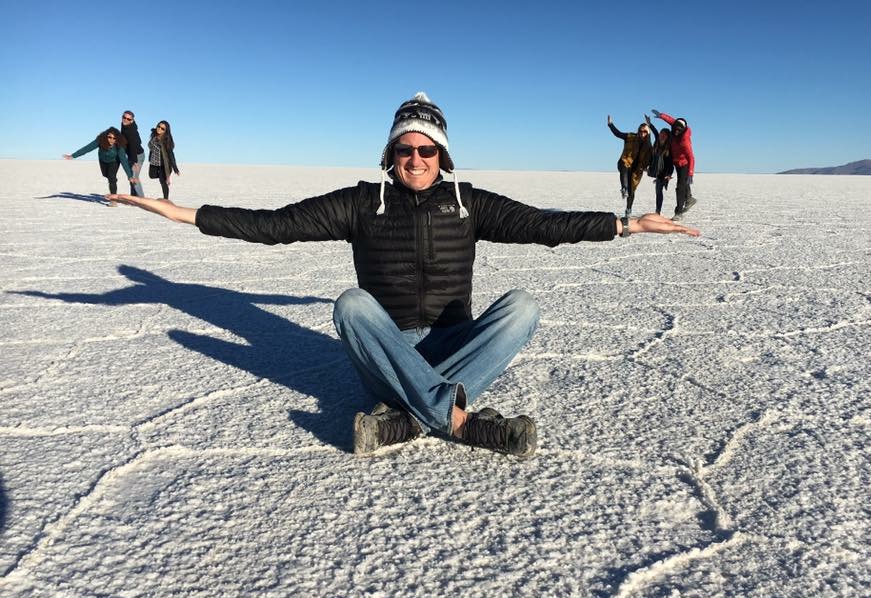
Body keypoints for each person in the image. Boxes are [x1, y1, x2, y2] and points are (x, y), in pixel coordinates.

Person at [110, 92, 700, 459]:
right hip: (388, 352)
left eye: (427, 150)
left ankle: (407, 420)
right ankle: (461, 421)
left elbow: (542, 225)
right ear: (388, 155)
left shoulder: (469, 203)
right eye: (404, 150)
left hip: (451, 342)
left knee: (521, 305)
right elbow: (274, 224)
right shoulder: (362, 203)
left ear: (444, 156)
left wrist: (625, 225)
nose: (415, 160)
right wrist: (182, 213)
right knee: (351, 306)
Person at [63, 127, 137, 200]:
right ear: (106, 136)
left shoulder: (119, 146)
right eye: (109, 137)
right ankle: (113, 180)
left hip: (114, 161)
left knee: (112, 177)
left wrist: (129, 176)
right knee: (106, 175)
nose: (111, 140)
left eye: (114, 138)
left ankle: (113, 198)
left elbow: (124, 160)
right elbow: (87, 148)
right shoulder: (100, 141)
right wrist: (73, 156)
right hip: (103, 161)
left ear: (117, 139)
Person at [651, 109, 695, 219]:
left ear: (683, 130)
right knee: (683, 183)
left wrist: (690, 173)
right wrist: (661, 115)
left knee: (680, 186)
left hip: (684, 164)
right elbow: (670, 120)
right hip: (676, 162)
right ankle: (689, 198)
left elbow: (691, 158)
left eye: (679, 130)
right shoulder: (675, 127)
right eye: (675, 128)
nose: (676, 131)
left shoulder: (684, 141)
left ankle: (678, 212)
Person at [607, 116, 652, 215]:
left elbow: (650, 159)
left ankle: (628, 209)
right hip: (625, 163)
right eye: (640, 131)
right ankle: (624, 188)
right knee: (624, 165)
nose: (642, 133)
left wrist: (648, 168)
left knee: (632, 191)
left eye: (645, 132)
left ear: (648, 133)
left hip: (637, 170)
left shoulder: (648, 145)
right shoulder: (630, 137)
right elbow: (618, 133)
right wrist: (610, 125)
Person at [645, 114, 675, 215]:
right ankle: (657, 210)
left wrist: (669, 174)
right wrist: (649, 124)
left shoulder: (669, 148)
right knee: (657, 190)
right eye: (661, 133)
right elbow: (654, 131)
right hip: (656, 170)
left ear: (667, 137)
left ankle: (658, 211)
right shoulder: (657, 142)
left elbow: (671, 163)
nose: (662, 135)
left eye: (664, 135)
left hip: (664, 172)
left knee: (659, 191)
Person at [147, 120, 180, 199]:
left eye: (162, 128)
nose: (159, 129)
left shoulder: (166, 141)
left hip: (163, 164)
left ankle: (166, 199)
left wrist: (175, 168)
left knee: (162, 182)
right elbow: (151, 148)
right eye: (159, 126)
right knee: (151, 175)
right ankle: (165, 177)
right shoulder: (154, 136)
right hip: (153, 162)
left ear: (166, 131)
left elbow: (171, 155)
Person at [120, 110, 145, 197]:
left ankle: (142, 199)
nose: (125, 120)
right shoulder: (124, 126)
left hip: (137, 156)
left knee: (134, 178)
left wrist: (135, 162)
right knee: (131, 176)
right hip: (131, 156)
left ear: (132, 120)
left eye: (128, 119)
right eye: (124, 117)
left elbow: (134, 146)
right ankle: (133, 197)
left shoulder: (131, 131)